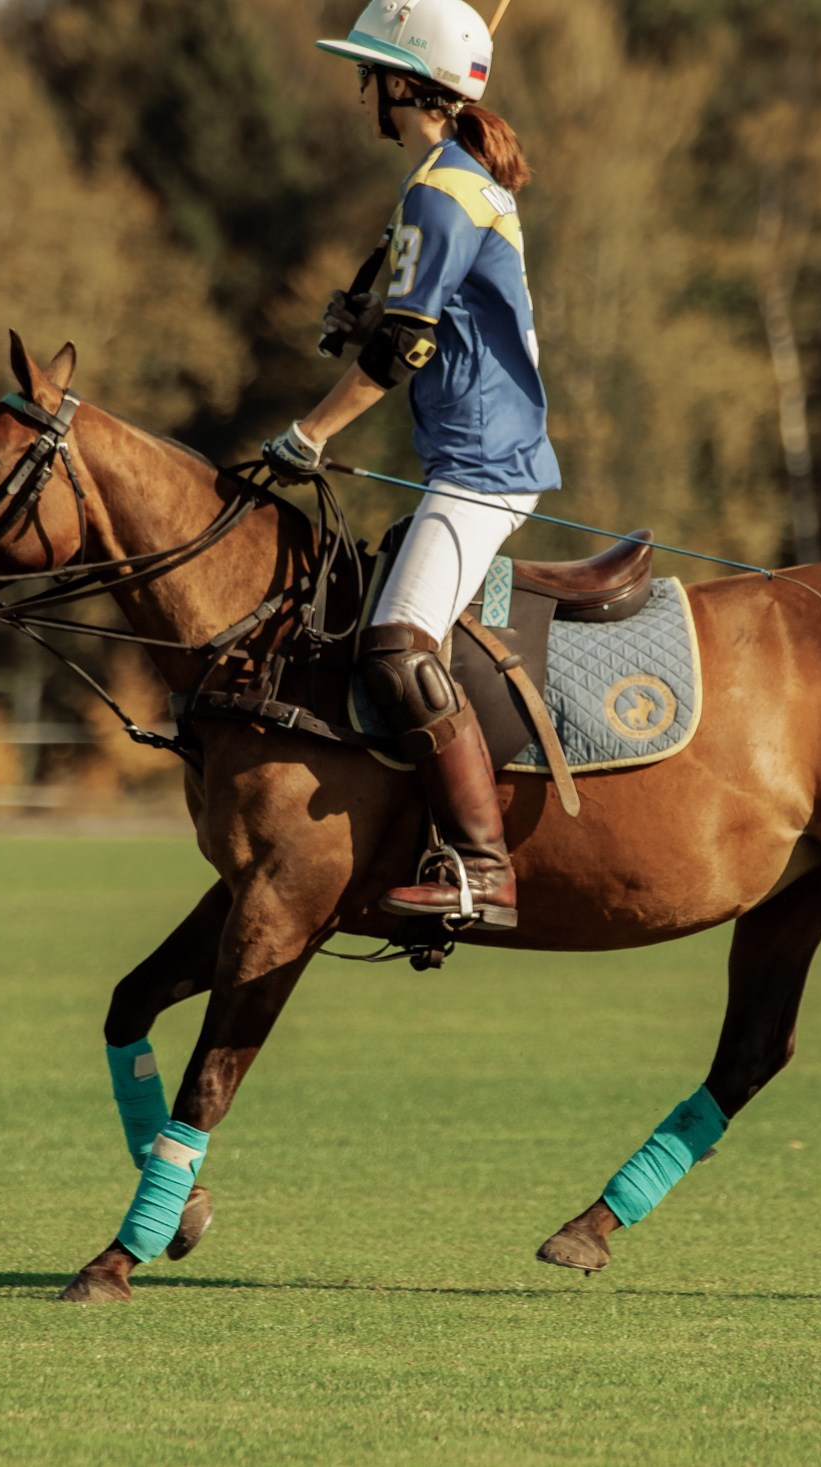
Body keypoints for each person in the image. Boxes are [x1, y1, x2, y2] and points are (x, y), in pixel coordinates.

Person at [262, 0, 559, 932]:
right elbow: (409, 308)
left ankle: (482, 869)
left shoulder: (444, 188)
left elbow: (404, 351)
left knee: (396, 645)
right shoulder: (451, 180)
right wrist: (358, 309)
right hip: (470, 458)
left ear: (402, 83)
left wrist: (310, 433)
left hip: (482, 466)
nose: (362, 94)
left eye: (369, 74)